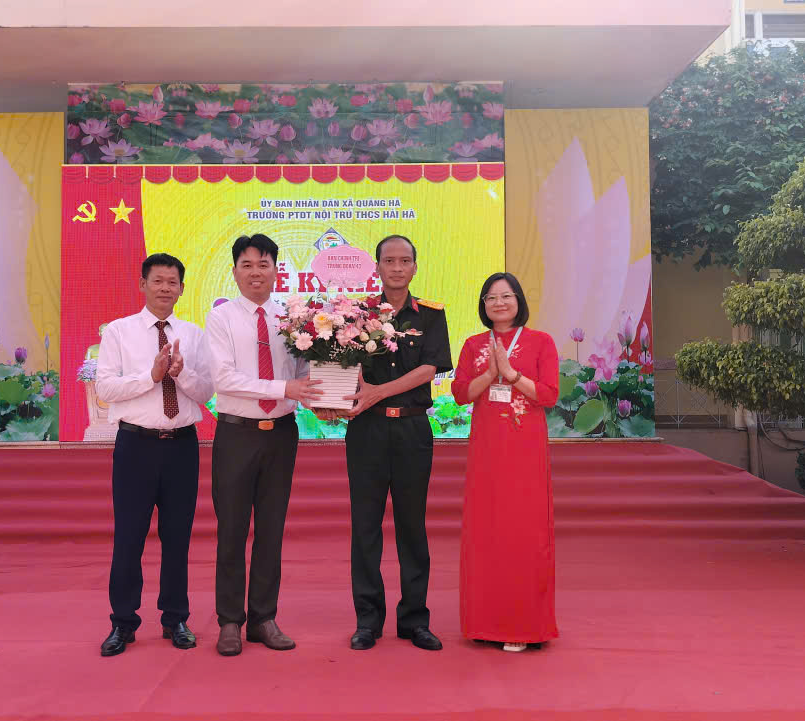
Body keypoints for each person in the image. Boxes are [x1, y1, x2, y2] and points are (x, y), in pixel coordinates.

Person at [205, 233, 323, 656]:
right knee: (232, 530)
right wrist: (285, 387)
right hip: (236, 434)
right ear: (235, 271)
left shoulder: (292, 318)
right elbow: (224, 379)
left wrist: (327, 394)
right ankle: (229, 622)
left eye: (264, 264)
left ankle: (263, 618)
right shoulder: (220, 318)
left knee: (271, 530)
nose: (256, 272)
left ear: (277, 270)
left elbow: (304, 371)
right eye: (247, 265)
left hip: (281, 434)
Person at [334, 234, 452, 652]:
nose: (397, 268)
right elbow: (340, 367)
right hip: (366, 432)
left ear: (415, 267)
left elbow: (429, 369)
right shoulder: (356, 315)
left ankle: (415, 620)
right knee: (365, 527)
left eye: (405, 261)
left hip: (412, 431)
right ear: (377, 267)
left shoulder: (432, 315)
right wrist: (333, 401)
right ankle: (367, 621)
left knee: (412, 527)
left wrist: (378, 392)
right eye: (389, 261)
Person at [95, 253, 215, 657]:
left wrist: (181, 373)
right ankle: (123, 622)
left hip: (182, 446)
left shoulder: (194, 335)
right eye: (158, 280)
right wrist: (152, 375)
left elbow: (206, 393)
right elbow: (105, 389)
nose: (165, 288)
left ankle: (175, 618)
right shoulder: (119, 331)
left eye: (172, 282)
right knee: (129, 536)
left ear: (182, 288)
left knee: (177, 537)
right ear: (142, 284)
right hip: (136, 446)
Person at [450, 272, 559, 652]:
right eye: (491, 298)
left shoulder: (541, 342)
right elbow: (461, 393)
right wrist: (490, 374)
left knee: (524, 530)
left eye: (506, 296)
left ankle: (523, 626)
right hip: (487, 450)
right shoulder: (473, 344)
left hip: (525, 449)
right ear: (483, 305)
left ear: (519, 301)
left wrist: (511, 375)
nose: (498, 303)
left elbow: (548, 395)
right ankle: (485, 623)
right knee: (486, 530)